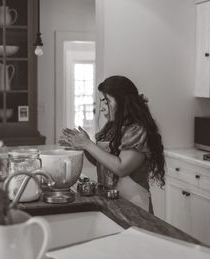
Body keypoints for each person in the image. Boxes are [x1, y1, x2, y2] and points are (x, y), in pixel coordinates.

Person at [59, 75, 165, 213]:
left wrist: (88, 144)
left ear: (122, 101)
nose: (102, 108)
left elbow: (122, 168)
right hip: (113, 200)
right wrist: (83, 147)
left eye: (106, 101)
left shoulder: (137, 129)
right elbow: (102, 162)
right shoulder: (112, 126)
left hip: (135, 204)